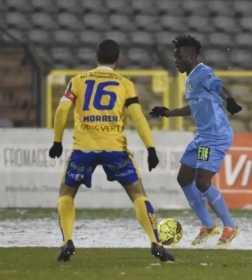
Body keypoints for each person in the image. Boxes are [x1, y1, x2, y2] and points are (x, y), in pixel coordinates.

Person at [48, 39, 174, 262]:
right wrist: (151, 148)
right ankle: (156, 242)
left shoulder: (77, 81)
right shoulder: (125, 84)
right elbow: (138, 117)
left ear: (96, 58)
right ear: (118, 60)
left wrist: (57, 141)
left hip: (83, 149)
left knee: (66, 194)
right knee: (138, 194)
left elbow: (61, 110)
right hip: (115, 149)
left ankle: (67, 240)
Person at [150, 35, 242, 247]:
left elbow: (219, 85)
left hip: (216, 136)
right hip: (202, 137)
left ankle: (230, 227)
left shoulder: (203, 72)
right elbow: (193, 107)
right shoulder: (190, 78)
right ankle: (209, 226)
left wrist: (230, 100)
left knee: (202, 182)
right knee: (184, 178)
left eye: (178, 57)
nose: (175, 61)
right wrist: (168, 113)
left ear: (190, 57)